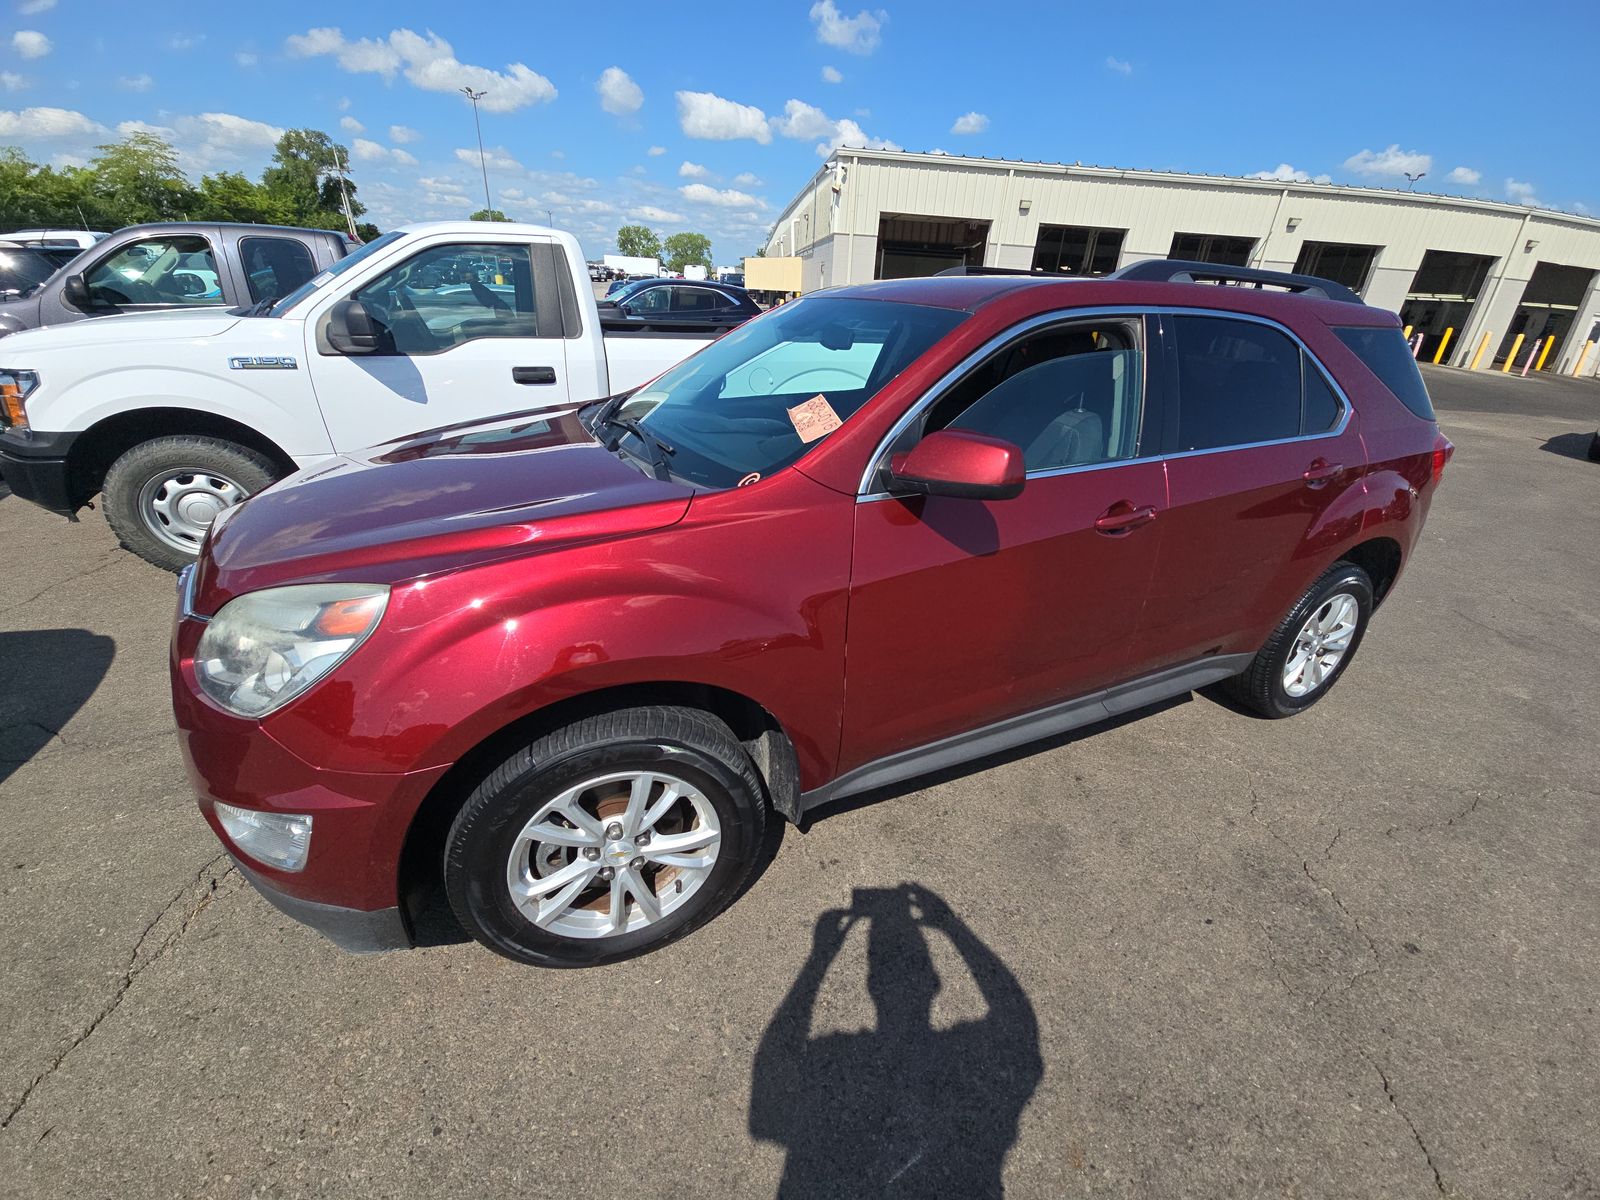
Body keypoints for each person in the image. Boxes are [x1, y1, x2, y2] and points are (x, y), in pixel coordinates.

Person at [750, 884, 1042, 1198]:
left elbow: (770, 1076)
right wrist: (953, 928)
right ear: (934, 985)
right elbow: (1017, 1023)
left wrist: (819, 958)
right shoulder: (960, 1062)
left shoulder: (841, 1057)